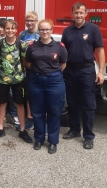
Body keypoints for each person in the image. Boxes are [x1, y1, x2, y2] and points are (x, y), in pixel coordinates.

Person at [61, 2, 105, 150]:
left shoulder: (93, 29)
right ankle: (74, 130)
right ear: (72, 13)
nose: (78, 15)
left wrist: (101, 72)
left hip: (87, 70)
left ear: (86, 14)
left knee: (88, 104)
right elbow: (63, 51)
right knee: (72, 102)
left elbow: (100, 51)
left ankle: (88, 136)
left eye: (81, 13)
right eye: (76, 13)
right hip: (70, 70)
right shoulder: (67, 31)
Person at [26, 19, 67, 154]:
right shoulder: (32, 46)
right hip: (36, 81)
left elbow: (63, 65)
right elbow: (28, 63)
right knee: (37, 112)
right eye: (42, 29)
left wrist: (50, 74)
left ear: (51, 30)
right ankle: (38, 139)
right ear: (39, 31)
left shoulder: (59, 47)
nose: (44, 32)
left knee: (54, 112)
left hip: (54, 82)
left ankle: (53, 141)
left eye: (47, 29)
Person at [0, 19, 32, 144]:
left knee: (19, 103)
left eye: (12, 28)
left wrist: (16, 73)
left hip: (18, 80)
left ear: (16, 30)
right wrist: (5, 72)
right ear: (4, 29)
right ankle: (1, 128)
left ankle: (23, 130)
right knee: (2, 103)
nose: (10, 31)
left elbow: (24, 62)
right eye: (7, 28)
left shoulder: (22, 44)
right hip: (2, 79)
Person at [17, 11, 40, 131]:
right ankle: (29, 119)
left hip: (38, 69)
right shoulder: (22, 34)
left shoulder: (40, 34)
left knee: (38, 95)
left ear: (36, 21)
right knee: (28, 94)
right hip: (25, 69)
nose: (29, 23)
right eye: (27, 20)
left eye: (32, 20)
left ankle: (40, 121)